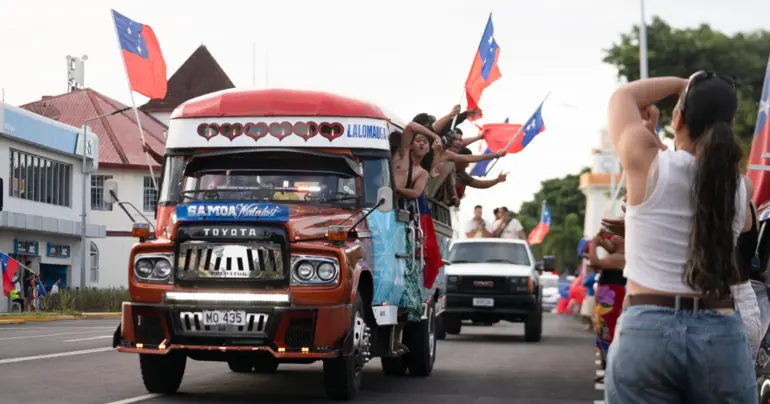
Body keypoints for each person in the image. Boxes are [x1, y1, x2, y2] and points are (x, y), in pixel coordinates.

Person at [604, 73, 759, 403]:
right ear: (728, 125)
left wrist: (680, 84)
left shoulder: (648, 163)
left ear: (679, 118)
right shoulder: (739, 188)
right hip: (721, 331)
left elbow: (623, 98)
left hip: (647, 329)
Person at [392, 123, 442, 199]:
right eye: (418, 141)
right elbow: (411, 126)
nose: (421, 143)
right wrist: (436, 136)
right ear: (411, 146)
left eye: (425, 142)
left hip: (392, 204)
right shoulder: (402, 154)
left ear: (428, 149)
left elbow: (416, 193)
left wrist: (396, 188)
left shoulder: (423, 173)